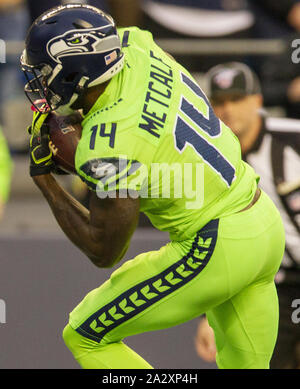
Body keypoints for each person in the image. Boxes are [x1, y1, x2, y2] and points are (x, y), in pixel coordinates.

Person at [20, 4, 285, 369]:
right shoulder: (136, 44)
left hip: (216, 245)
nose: (41, 81)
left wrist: (45, 180)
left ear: (75, 71)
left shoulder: (107, 146)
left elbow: (104, 250)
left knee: (85, 335)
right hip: (263, 221)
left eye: (45, 71)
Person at [195, 62, 300, 369]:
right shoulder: (204, 163)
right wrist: (208, 315)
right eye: (219, 102)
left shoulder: (293, 139)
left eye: (237, 100)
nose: (228, 111)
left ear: (257, 101)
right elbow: (208, 241)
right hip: (269, 285)